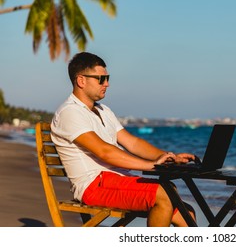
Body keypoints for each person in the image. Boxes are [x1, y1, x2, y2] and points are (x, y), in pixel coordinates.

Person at [51, 52, 197, 227]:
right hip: (93, 185)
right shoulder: (70, 112)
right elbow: (105, 152)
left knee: (186, 212)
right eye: (101, 79)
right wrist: (152, 165)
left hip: (116, 179)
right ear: (81, 80)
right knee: (165, 193)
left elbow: (132, 143)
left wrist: (169, 156)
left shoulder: (103, 110)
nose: (107, 83)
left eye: (107, 78)